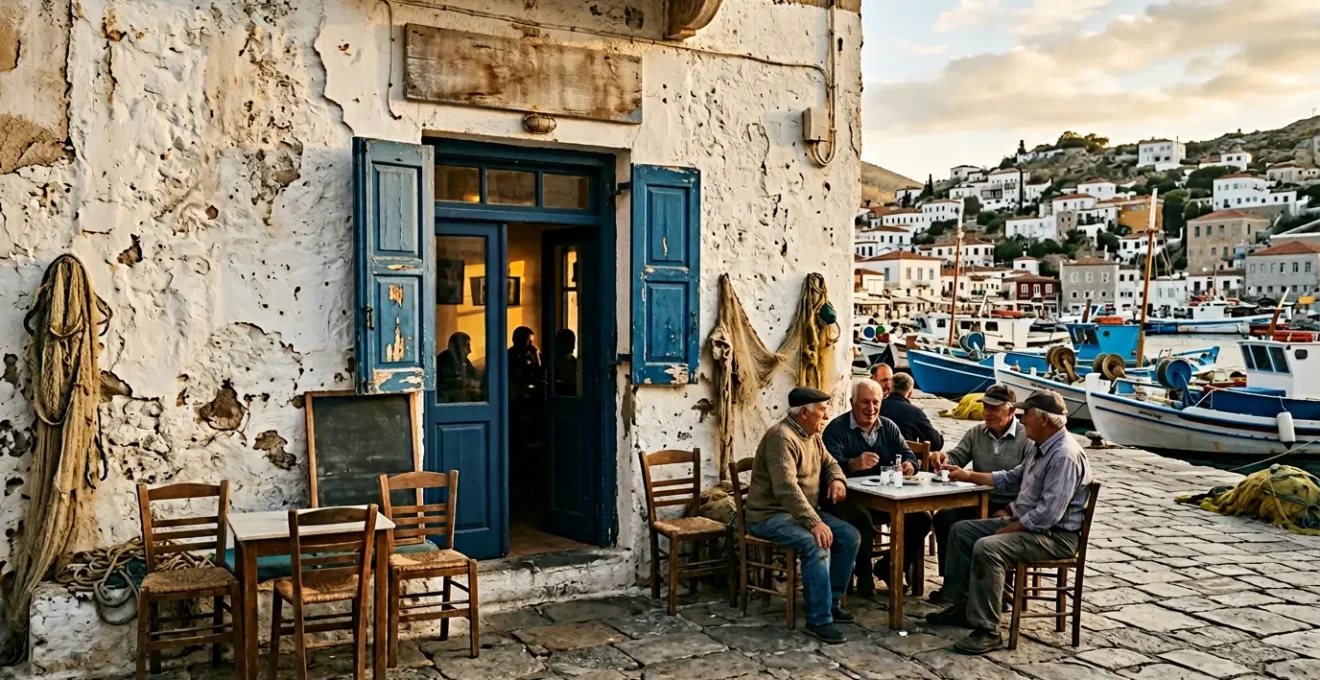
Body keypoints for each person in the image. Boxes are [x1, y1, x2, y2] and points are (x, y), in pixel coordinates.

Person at [926, 390, 1093, 656]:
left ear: (1044, 420)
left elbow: (1046, 516)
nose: (1023, 420)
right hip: (1026, 523)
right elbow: (1011, 478)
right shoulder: (1042, 447)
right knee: (961, 530)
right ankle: (962, 606)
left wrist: (1008, 527)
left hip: (1054, 536)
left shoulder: (1064, 455)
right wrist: (967, 475)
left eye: (1026, 414)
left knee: (988, 547)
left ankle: (987, 629)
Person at [745, 387, 860, 645]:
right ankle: (818, 620)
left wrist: (837, 479)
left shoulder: (812, 435)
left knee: (850, 536)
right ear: (805, 413)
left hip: (801, 513)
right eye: (822, 410)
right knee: (815, 543)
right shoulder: (781, 438)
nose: (827, 415)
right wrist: (815, 522)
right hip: (769, 516)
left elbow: (830, 463)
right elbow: (786, 489)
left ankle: (830, 602)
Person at [821, 379, 931, 598]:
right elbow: (827, 466)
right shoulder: (837, 429)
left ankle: (887, 567)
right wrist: (852, 464)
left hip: (883, 497)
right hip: (845, 499)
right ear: (852, 402)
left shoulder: (888, 426)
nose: (870, 408)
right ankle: (864, 577)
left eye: (875, 402)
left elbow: (908, 453)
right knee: (861, 519)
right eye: (864, 402)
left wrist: (911, 465)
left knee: (922, 519)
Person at [925, 384, 1033, 599]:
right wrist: (942, 458)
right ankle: (953, 584)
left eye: (994, 408)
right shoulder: (976, 432)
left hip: (1011, 505)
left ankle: (993, 589)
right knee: (945, 519)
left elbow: (1029, 482)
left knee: (975, 530)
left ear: (1011, 410)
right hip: (978, 500)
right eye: (985, 407)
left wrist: (1010, 510)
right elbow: (958, 456)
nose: (987, 413)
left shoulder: (1027, 438)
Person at [880, 373, 944, 451]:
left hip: (877, 455)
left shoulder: (877, 406)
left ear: (890, 389)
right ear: (910, 393)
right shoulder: (915, 412)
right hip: (905, 458)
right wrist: (940, 437)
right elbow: (935, 443)